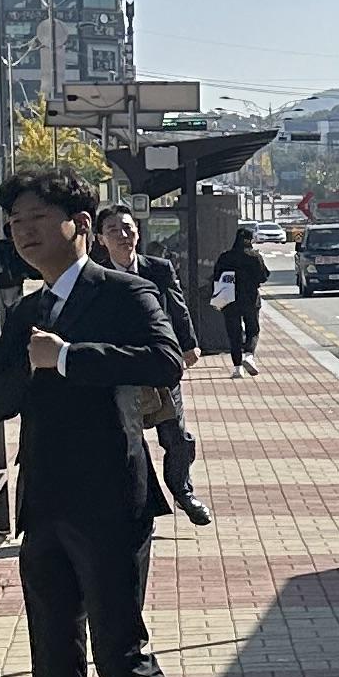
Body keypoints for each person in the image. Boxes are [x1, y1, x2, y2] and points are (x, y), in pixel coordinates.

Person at [0, 165, 238, 677]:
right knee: (52, 664)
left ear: (80, 225)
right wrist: (23, 363)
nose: (24, 233)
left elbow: (164, 361)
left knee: (120, 657)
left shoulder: (123, 292)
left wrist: (68, 358)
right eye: (15, 223)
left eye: (37, 218)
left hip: (112, 502)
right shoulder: (27, 311)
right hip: (45, 505)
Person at [94, 207, 211, 527]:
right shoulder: (96, 276)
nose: (123, 235)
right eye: (113, 230)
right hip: (121, 367)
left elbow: (178, 306)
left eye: (128, 228)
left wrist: (188, 344)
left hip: (160, 364)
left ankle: (183, 491)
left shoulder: (158, 269)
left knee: (176, 436)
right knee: (124, 439)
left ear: (138, 231)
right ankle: (133, 505)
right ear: (101, 239)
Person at [209, 224, 266, 370]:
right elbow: (263, 276)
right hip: (250, 299)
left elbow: (216, 276)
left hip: (229, 299)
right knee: (252, 329)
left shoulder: (225, 257)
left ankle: (237, 368)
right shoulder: (255, 257)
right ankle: (249, 355)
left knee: (234, 333)